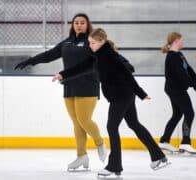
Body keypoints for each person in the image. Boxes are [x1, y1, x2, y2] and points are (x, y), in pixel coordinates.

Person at [52, 28, 170, 177]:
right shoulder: (97, 55)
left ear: (102, 42)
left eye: (93, 43)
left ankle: (114, 166)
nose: (90, 45)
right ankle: (158, 156)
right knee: (134, 124)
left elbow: (128, 74)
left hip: (121, 95)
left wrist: (141, 93)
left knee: (112, 127)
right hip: (123, 95)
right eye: (89, 43)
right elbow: (81, 68)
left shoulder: (111, 56)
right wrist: (62, 74)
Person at [14, 13, 107, 170]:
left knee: (84, 120)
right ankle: (81, 156)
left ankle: (100, 143)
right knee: (77, 123)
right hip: (69, 85)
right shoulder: (67, 42)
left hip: (87, 85)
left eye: (82, 22)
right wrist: (31, 61)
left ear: (87, 25)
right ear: (72, 25)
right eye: (76, 22)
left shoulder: (91, 42)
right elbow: (49, 55)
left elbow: (94, 63)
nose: (79, 25)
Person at [158, 32, 196, 154]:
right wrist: (195, 87)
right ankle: (185, 142)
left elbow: (188, 70)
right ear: (176, 41)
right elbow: (181, 74)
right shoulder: (172, 56)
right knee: (189, 113)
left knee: (177, 114)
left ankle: (164, 141)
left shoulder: (179, 54)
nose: (183, 42)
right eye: (181, 40)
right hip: (175, 89)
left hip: (175, 88)